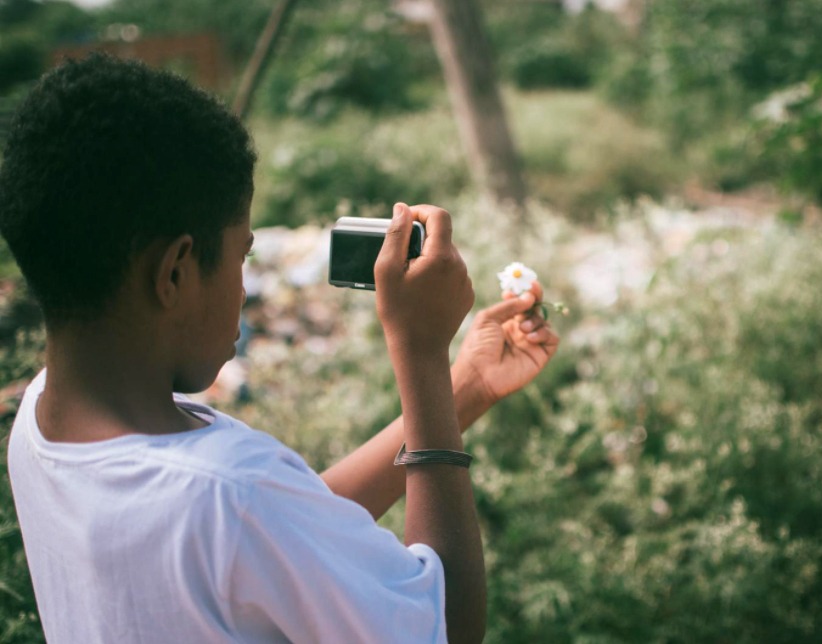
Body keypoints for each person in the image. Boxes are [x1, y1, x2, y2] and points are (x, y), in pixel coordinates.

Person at [0, 54, 558, 643]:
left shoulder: (41, 424)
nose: (244, 286)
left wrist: (462, 385)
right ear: (174, 273)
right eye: (242, 255)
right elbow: (444, 628)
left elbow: (283, 532)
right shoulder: (227, 493)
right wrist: (420, 355)